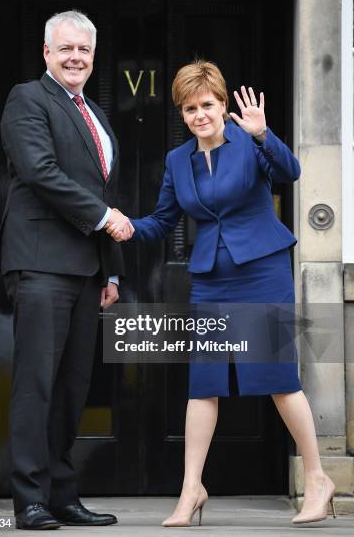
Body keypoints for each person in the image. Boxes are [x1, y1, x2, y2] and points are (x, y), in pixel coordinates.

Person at [106, 60, 336, 527]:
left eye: (207, 104)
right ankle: (192, 488)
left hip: (264, 272)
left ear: (222, 104)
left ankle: (317, 479)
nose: (199, 114)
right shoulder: (177, 161)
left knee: (277, 377)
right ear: (182, 114)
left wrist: (262, 134)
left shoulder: (250, 145)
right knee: (204, 385)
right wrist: (128, 226)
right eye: (189, 108)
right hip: (212, 278)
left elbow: (290, 172)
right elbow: (165, 220)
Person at [0, 10, 134, 530]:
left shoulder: (96, 114)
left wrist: (113, 273)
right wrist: (105, 219)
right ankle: (28, 499)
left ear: (93, 57)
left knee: (73, 388)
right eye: (66, 49)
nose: (76, 57)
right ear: (47, 53)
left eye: (84, 50)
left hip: (87, 271)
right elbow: (40, 170)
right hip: (40, 264)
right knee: (36, 384)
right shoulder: (27, 99)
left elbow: (107, 194)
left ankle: (61, 494)